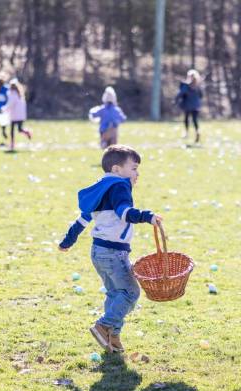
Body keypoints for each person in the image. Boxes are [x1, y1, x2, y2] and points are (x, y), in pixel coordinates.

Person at [59, 145, 162, 353]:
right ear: (116, 169)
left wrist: (67, 241)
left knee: (115, 293)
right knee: (130, 292)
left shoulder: (101, 188)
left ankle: (112, 339)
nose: (137, 173)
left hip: (98, 252)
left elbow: (82, 219)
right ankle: (104, 326)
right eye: (133, 168)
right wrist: (147, 216)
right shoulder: (119, 186)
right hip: (114, 253)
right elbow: (124, 212)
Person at [2, 78, 31, 151]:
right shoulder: (20, 95)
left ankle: (12, 144)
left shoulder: (12, 95)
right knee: (20, 129)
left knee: (12, 130)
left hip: (14, 116)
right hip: (20, 116)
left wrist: (4, 109)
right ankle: (27, 132)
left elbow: (10, 105)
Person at [175, 69, 203, 143]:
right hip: (196, 105)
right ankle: (197, 131)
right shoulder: (198, 86)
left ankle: (186, 133)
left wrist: (176, 100)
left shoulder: (186, 86)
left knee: (186, 119)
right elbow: (201, 95)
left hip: (188, 105)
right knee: (195, 120)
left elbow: (181, 93)